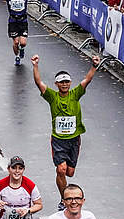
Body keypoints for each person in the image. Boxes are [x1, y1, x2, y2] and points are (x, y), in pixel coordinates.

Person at [31, 55, 101, 199]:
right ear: (56, 84)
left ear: (70, 83)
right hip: (59, 140)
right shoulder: (52, 96)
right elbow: (38, 82)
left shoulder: (75, 94)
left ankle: (64, 190)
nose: (64, 84)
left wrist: (94, 66)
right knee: (61, 170)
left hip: (74, 139)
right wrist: (35, 65)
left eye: (67, 82)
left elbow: (87, 80)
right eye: (61, 82)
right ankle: (64, 199)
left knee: (70, 172)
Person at [0, 0, 35, 66]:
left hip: (23, 21)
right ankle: (17, 57)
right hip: (13, 21)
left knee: (23, 43)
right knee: (16, 42)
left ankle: (22, 49)